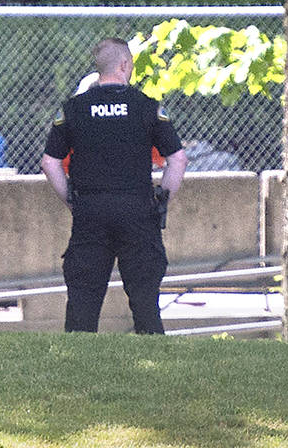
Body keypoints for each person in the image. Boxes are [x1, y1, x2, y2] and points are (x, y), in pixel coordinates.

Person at [41, 38, 188, 334]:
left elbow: (49, 162)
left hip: (90, 212)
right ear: (124, 66)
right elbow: (179, 159)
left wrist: (72, 201)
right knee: (146, 303)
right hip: (138, 211)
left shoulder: (73, 109)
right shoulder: (147, 107)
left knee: (82, 305)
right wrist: (161, 201)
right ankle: (157, 366)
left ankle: (77, 367)